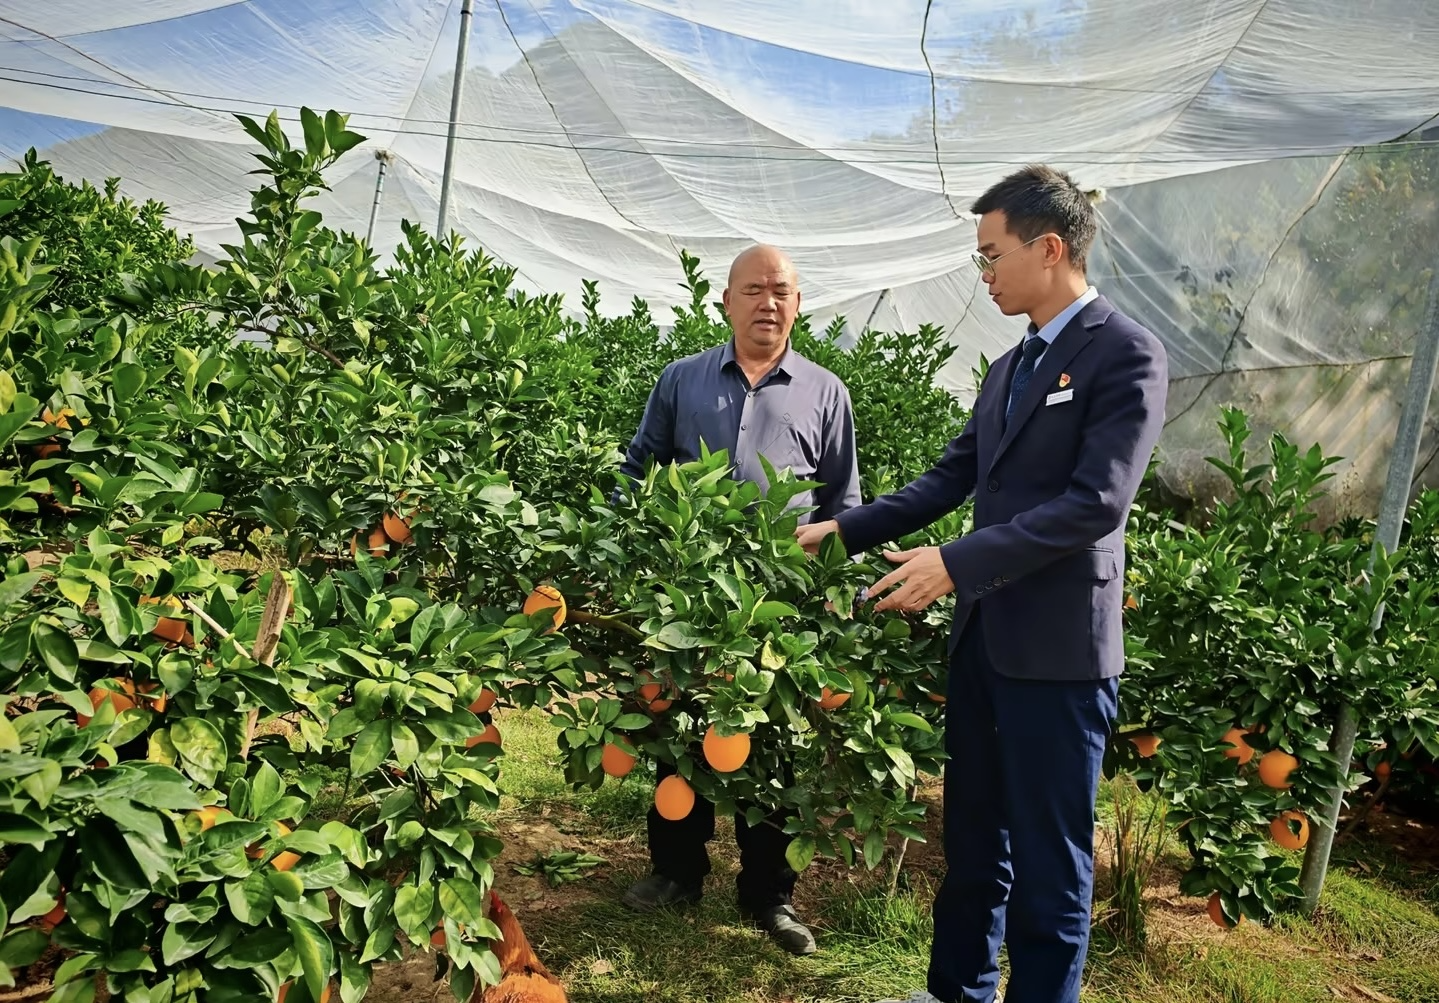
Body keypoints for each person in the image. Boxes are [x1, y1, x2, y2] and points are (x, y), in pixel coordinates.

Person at [795, 165, 1168, 1003]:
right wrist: (841, 531)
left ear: (1049, 247)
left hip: (1057, 657)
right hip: (983, 644)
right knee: (971, 839)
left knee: (1050, 858)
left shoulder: (1125, 352)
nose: (984, 272)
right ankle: (955, 989)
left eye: (990, 254)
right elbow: (948, 479)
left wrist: (954, 563)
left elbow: (1095, 504)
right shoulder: (1008, 369)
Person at [613, 243, 862, 956]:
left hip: (784, 606)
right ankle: (675, 872)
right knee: (680, 731)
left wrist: (839, 585)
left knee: (773, 747)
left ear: (798, 301)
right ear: (725, 300)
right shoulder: (681, 378)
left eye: (780, 290)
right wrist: (625, 555)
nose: (767, 302)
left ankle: (768, 894)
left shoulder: (826, 392)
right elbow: (639, 470)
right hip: (691, 595)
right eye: (752, 289)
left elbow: (845, 499)